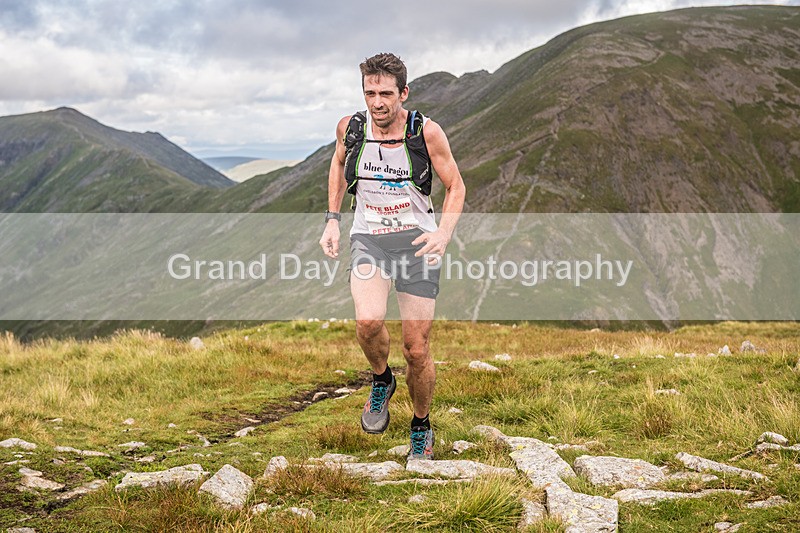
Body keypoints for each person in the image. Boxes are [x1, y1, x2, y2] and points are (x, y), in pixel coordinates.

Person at [319, 52, 465, 460]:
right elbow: (337, 163)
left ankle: (421, 424)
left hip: (418, 244)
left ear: (403, 92)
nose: (377, 102)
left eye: (385, 93)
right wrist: (332, 219)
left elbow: (456, 187)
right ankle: (382, 380)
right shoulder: (350, 129)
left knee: (416, 348)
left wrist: (443, 234)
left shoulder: (426, 133)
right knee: (367, 323)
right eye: (370, 93)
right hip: (371, 239)